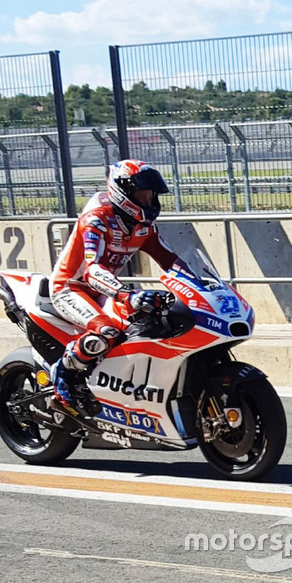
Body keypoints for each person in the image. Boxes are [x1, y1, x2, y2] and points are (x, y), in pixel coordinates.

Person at [49, 159, 179, 416]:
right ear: (124, 192)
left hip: (106, 290)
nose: (149, 201)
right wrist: (125, 294)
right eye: (142, 195)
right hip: (71, 288)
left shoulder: (144, 227)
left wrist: (202, 283)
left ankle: (119, 388)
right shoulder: (96, 220)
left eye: (151, 195)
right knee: (107, 331)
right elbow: (92, 269)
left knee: (143, 322)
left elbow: (172, 261)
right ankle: (62, 372)